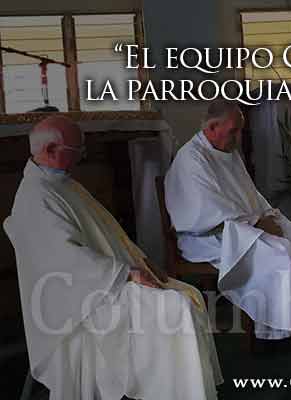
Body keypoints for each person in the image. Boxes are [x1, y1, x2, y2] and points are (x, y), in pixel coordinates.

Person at [3, 116, 223, 400]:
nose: (83, 155)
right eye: (77, 149)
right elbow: (66, 259)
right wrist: (128, 273)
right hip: (84, 297)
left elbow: (110, 233)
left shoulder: (60, 181)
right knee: (176, 306)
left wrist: (141, 261)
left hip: (106, 279)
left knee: (187, 294)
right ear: (51, 150)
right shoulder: (36, 197)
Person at [164, 99, 291, 346]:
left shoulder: (227, 152)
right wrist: (258, 223)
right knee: (279, 254)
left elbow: (250, 194)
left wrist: (267, 216)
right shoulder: (192, 159)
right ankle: (273, 334)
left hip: (241, 226)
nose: (238, 138)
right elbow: (207, 209)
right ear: (212, 127)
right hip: (207, 236)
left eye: (240, 131)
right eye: (233, 131)